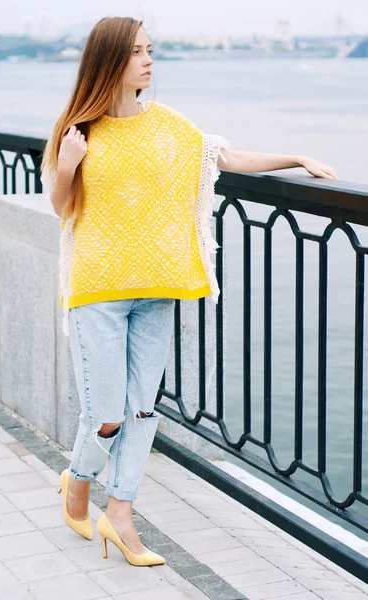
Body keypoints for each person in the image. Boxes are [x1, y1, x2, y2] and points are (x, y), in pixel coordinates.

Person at [41, 16, 338, 567]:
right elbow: (62, 209)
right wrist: (65, 167)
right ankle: (78, 481)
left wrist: (295, 156)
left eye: (150, 50)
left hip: (159, 286)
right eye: (136, 52)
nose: (149, 60)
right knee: (106, 412)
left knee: (143, 409)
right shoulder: (77, 128)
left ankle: (121, 514)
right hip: (97, 291)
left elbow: (225, 158)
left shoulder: (172, 126)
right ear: (109, 60)